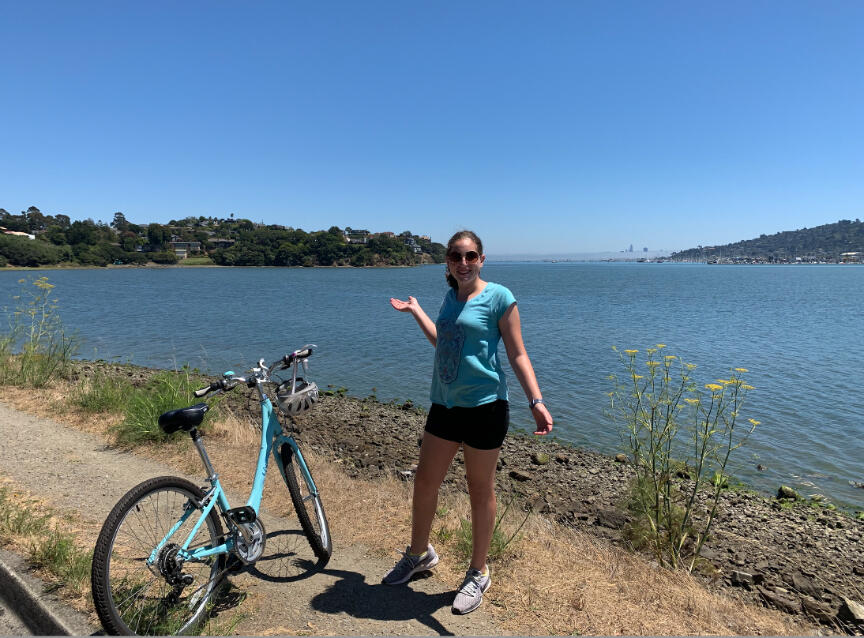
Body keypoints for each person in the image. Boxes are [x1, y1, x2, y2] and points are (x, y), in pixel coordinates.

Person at [384, 229, 553, 615]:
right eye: (456, 256)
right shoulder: (449, 298)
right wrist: (417, 312)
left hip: (485, 408)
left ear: (481, 259)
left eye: (471, 256)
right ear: (447, 262)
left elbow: (518, 354)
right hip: (444, 406)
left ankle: (478, 571)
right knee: (425, 483)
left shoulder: (499, 297)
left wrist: (536, 401)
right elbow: (444, 344)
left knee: (480, 489)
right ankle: (419, 554)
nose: (464, 263)